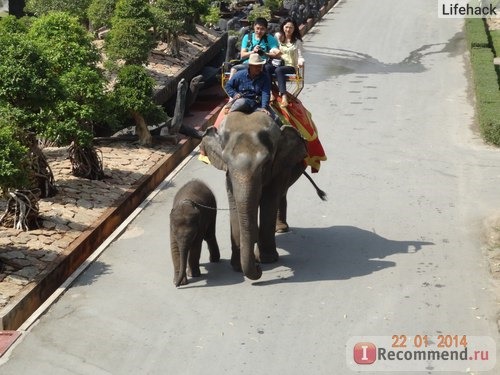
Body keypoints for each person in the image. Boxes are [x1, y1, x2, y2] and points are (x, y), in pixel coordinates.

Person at [268, 18, 305, 107]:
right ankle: (270, 92)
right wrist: (274, 50)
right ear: (283, 27)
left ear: (294, 29)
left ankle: (283, 96)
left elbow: (300, 56)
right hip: (277, 63)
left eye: (291, 28)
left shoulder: (297, 41)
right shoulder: (277, 37)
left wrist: (301, 62)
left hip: (290, 66)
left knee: (279, 70)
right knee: (266, 68)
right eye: (286, 27)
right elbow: (273, 47)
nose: (288, 30)